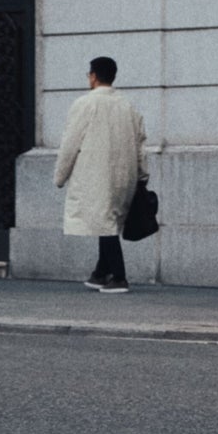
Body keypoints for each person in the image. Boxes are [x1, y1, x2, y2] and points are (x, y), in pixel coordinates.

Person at [56, 55, 147, 291]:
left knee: (104, 221)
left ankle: (118, 276)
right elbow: (140, 145)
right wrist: (142, 175)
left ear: (94, 76)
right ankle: (100, 272)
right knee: (108, 219)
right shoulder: (128, 106)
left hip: (96, 174)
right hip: (124, 175)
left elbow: (70, 143)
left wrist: (60, 175)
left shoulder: (85, 104)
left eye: (89, 74)